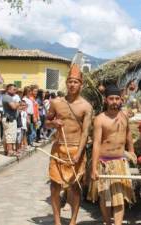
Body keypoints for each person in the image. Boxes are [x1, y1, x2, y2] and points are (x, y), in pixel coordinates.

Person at [45, 63, 93, 225]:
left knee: (75, 188)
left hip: (76, 150)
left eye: (76, 82)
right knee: (54, 187)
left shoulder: (86, 106)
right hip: (58, 149)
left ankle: (73, 221)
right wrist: (53, 123)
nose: (72, 84)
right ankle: (57, 221)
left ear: (81, 84)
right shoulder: (56, 102)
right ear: (66, 83)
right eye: (70, 81)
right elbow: (46, 122)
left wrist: (79, 154)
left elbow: (86, 133)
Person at [89, 84, 136, 225]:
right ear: (105, 100)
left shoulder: (124, 117)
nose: (114, 101)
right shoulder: (100, 119)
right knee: (106, 198)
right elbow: (96, 143)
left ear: (121, 100)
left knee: (119, 197)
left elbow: (128, 135)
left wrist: (132, 151)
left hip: (120, 162)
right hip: (104, 162)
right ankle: (107, 222)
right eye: (111, 98)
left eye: (117, 98)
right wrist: (93, 168)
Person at [2, 84, 20, 156]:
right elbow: (14, 107)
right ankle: (10, 151)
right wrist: (18, 103)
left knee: (7, 135)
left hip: (8, 118)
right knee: (10, 134)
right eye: (13, 89)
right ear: (8, 90)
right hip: (10, 119)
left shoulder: (8, 97)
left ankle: (7, 150)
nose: (15, 91)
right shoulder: (8, 97)